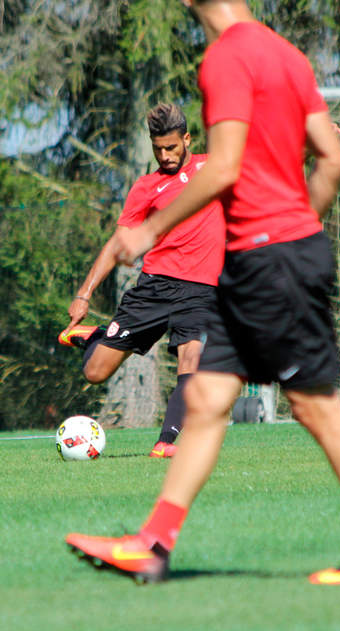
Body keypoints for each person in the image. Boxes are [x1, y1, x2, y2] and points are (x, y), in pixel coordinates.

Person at [65, 0, 340, 585]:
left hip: (268, 258)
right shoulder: (287, 55)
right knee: (206, 401)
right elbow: (333, 156)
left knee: (314, 406)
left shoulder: (225, 60)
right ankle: (153, 542)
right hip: (266, 259)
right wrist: (306, 224)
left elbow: (222, 167)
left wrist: (151, 230)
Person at [59, 102, 224, 458]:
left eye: (171, 148)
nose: (164, 156)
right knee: (95, 373)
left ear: (187, 139)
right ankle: (95, 337)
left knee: (191, 358)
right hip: (153, 287)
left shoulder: (213, 167)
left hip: (200, 289)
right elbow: (118, 243)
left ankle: (165, 443)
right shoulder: (146, 188)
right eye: (158, 149)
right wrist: (84, 294)